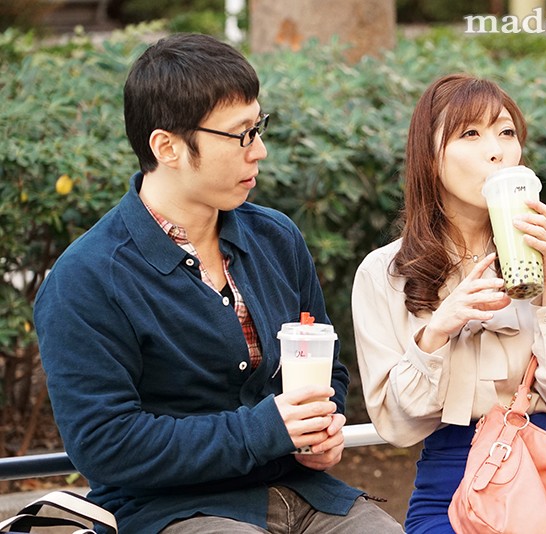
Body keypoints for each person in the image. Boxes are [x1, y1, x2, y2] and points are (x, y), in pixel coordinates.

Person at [33, 33, 404, 534]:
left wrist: (321, 424)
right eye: (241, 135)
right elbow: (105, 444)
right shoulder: (87, 278)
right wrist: (264, 430)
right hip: (171, 510)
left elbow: (326, 365)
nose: (260, 150)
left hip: (305, 492)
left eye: (258, 127)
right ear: (167, 147)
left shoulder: (276, 237)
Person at [352, 73, 546, 533]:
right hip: (454, 486)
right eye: (470, 134)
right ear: (430, 157)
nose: (496, 151)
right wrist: (437, 331)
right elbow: (396, 426)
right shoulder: (385, 271)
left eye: (506, 133)